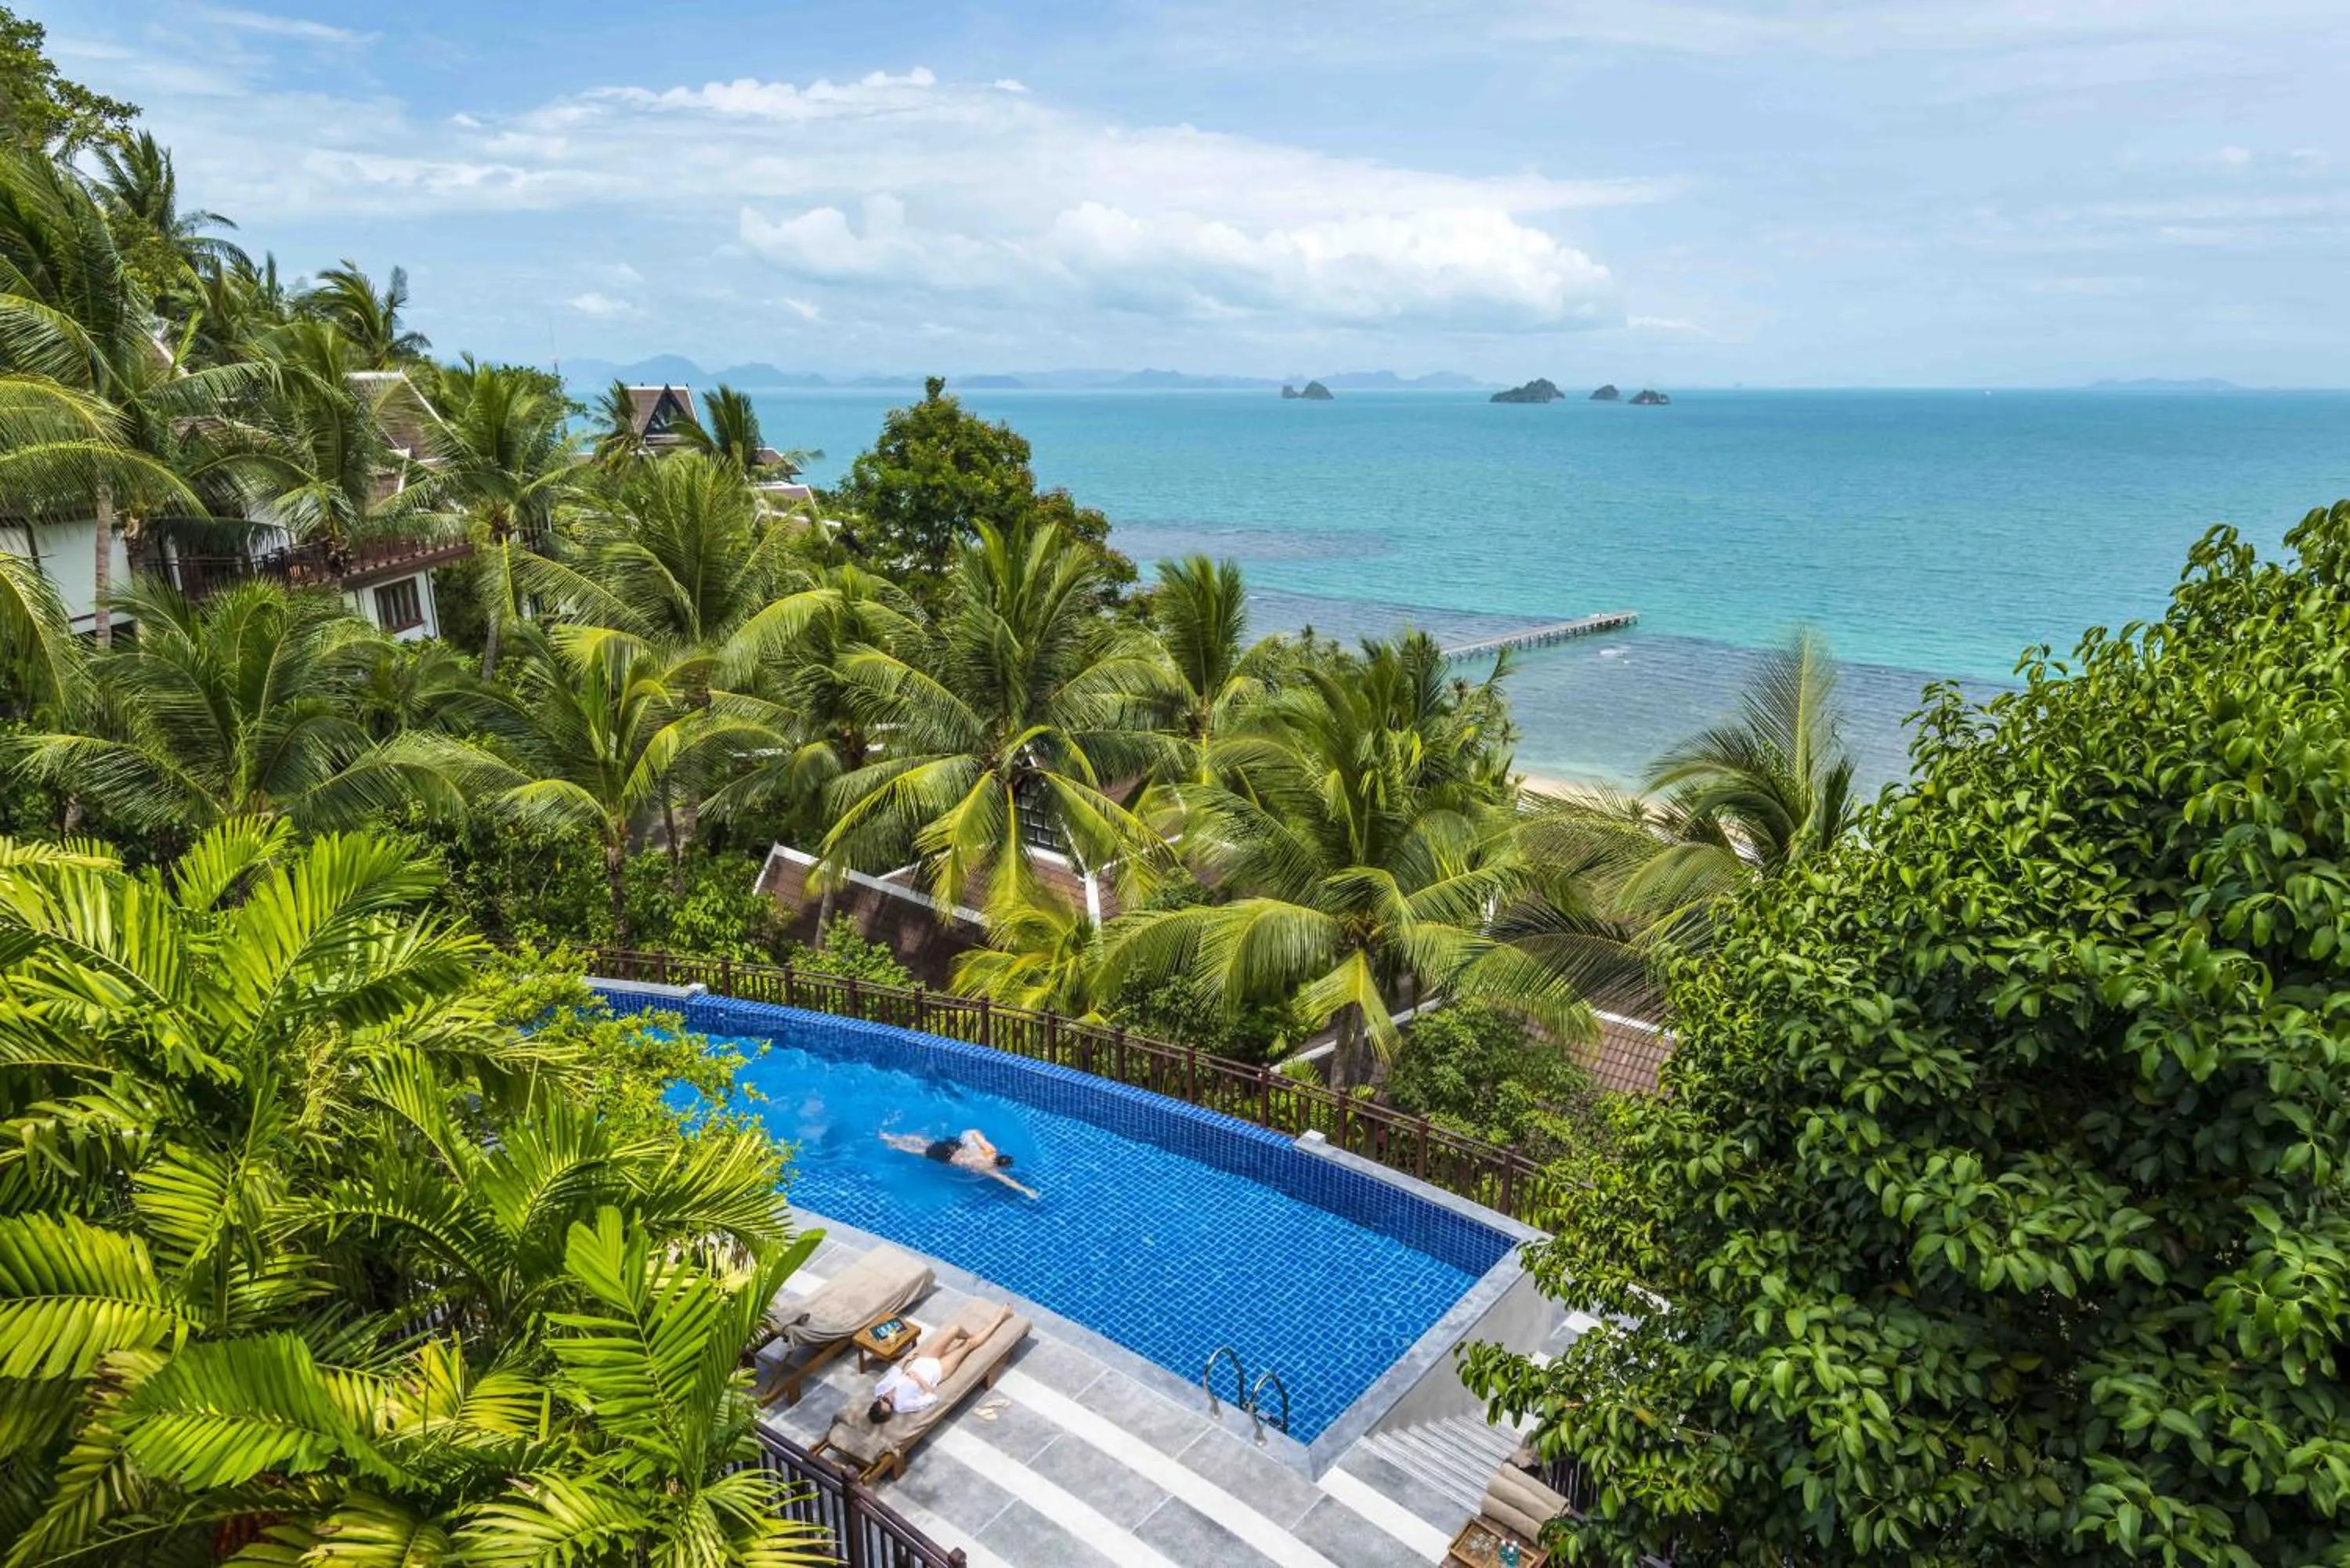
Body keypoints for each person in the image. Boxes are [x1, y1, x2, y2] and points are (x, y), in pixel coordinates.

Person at [866, 1305, 1014, 1422]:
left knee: (955, 1330)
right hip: (939, 1371)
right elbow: (931, 1397)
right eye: (891, 1406)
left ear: (879, 1398)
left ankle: (974, 1335)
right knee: (969, 1345)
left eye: (886, 1400)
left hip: (923, 1361)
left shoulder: (881, 1387)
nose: (891, 1401)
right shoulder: (903, 1405)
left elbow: (897, 1371)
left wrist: (908, 1359)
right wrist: (919, 1380)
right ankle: (1002, 1317)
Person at [880, 1127, 1038, 1198]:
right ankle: (895, 1144)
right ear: (1002, 1166)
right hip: (948, 1158)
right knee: (921, 1152)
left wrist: (976, 1134)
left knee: (927, 1142)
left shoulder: (990, 1152)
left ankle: (890, 1135)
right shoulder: (988, 1169)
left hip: (954, 1147)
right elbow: (1007, 1181)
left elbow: (976, 1135)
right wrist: (1026, 1190)